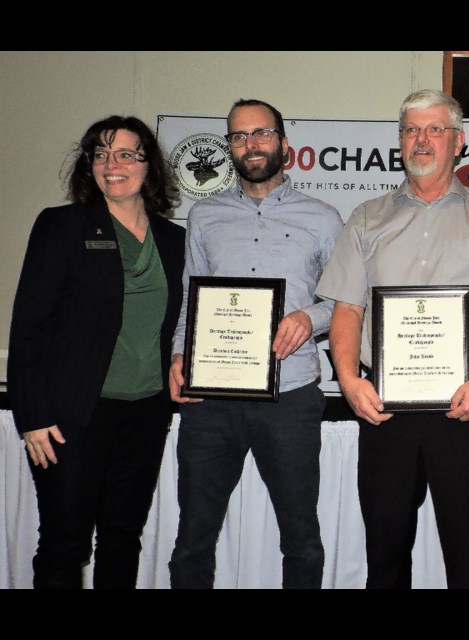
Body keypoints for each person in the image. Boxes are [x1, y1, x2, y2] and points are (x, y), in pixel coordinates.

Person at [317, 89, 469, 589]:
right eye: (411, 130)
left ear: (458, 142)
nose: (421, 140)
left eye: (434, 129)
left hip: (465, 406)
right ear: (400, 142)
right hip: (384, 408)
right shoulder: (366, 218)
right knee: (386, 548)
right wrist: (350, 380)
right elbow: (347, 309)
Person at [168, 98, 342, 589]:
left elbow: (345, 301)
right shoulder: (204, 215)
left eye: (261, 134)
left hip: (291, 395)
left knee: (301, 537)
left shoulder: (324, 218)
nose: (252, 144)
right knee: (193, 539)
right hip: (212, 398)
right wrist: (181, 355)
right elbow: (191, 295)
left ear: (284, 143)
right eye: (240, 136)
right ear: (229, 147)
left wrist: (310, 317)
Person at [8, 116, 184, 589]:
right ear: (90, 166)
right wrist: (32, 415)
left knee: (123, 538)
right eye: (101, 154)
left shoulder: (174, 239)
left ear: (149, 166)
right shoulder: (62, 225)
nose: (113, 164)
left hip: (146, 414)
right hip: (71, 418)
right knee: (65, 543)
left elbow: (176, 324)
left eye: (127, 153)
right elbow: (29, 326)